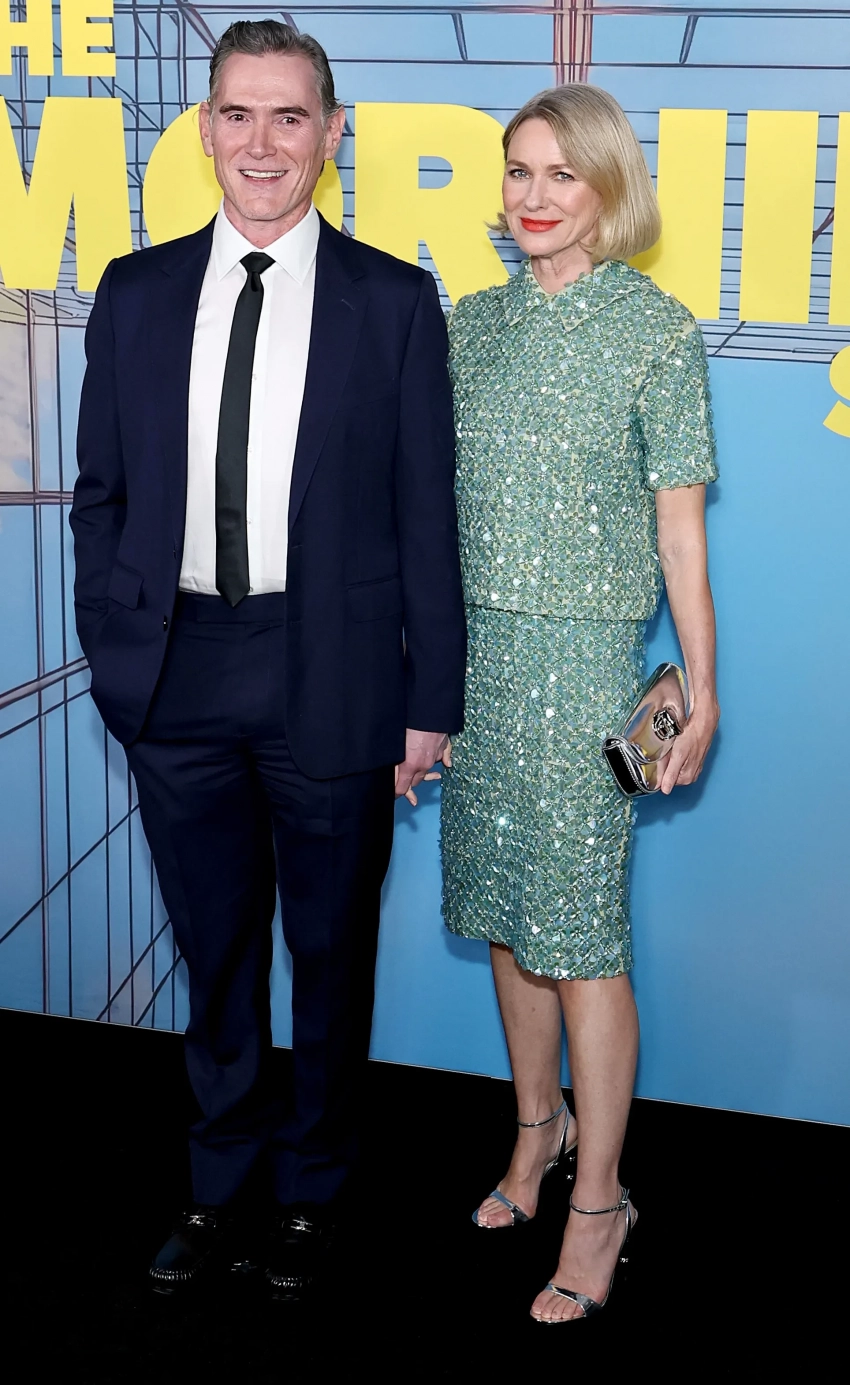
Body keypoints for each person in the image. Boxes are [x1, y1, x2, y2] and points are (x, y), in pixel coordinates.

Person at [71, 19, 465, 1300]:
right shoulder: (135, 290)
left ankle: (312, 1191)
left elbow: (425, 516)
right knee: (217, 948)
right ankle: (218, 1178)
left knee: (331, 952)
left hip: (332, 674)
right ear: (203, 130)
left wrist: (428, 699)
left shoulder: (392, 301)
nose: (261, 143)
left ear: (330, 133)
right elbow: (100, 493)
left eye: (289, 116)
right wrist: (112, 645)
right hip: (176, 672)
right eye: (237, 114)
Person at [440, 84, 719, 1323]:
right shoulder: (470, 324)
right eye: (518, 171)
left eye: (562, 173)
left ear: (610, 187)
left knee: (580, 939)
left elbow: (679, 534)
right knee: (505, 918)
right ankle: (534, 1132)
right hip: (478, 663)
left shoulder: (657, 330)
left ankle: (599, 1199)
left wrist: (700, 687)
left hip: (592, 664)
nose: (534, 196)